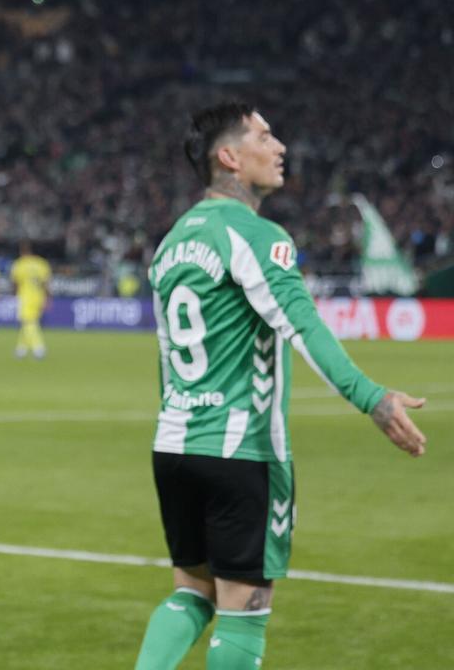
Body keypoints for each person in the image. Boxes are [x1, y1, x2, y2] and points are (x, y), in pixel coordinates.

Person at [135, 102, 427, 670]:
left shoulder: (171, 243)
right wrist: (373, 397)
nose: (280, 146)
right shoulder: (255, 234)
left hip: (173, 445)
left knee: (192, 594)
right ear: (230, 157)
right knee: (245, 614)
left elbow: (167, 357)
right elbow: (303, 324)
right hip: (241, 451)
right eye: (264, 136)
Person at [10, 240, 50, 358]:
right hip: (39, 296)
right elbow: (46, 283)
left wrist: (14, 293)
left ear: (22, 251)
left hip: (26, 296)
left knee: (28, 322)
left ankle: (39, 348)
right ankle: (21, 349)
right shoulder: (41, 264)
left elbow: (15, 283)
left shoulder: (19, 264)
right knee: (29, 322)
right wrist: (48, 297)